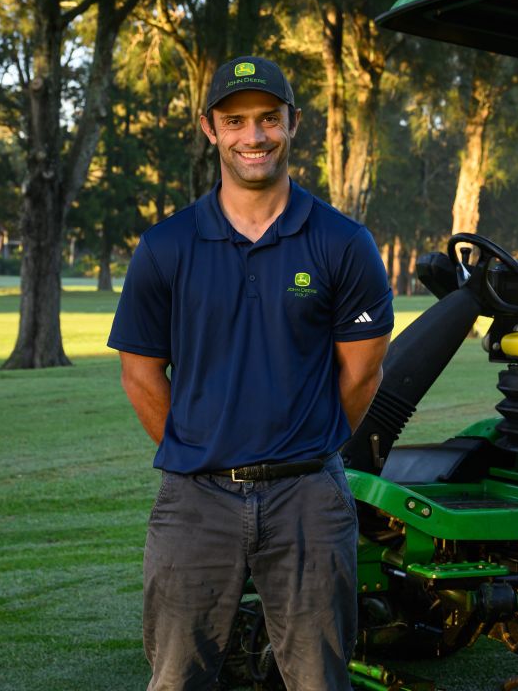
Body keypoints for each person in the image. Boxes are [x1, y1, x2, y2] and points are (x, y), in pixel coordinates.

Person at [108, 55, 392, 691]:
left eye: (268, 119)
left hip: (308, 498)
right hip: (193, 499)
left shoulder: (343, 244)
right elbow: (141, 378)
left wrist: (298, 447)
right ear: (210, 129)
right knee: (177, 678)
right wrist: (201, 451)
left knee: (320, 680)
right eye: (235, 121)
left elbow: (362, 374)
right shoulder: (165, 247)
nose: (253, 136)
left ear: (294, 122)